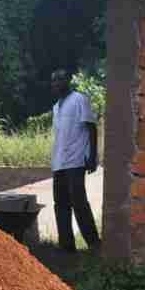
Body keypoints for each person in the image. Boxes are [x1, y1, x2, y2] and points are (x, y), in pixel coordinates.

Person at [50, 69, 101, 253]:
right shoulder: (56, 107)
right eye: (54, 81)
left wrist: (93, 156)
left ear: (68, 80)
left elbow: (92, 128)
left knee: (79, 202)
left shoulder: (79, 99)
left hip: (76, 160)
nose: (57, 83)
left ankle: (94, 244)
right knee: (60, 204)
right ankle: (67, 246)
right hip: (59, 162)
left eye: (60, 79)